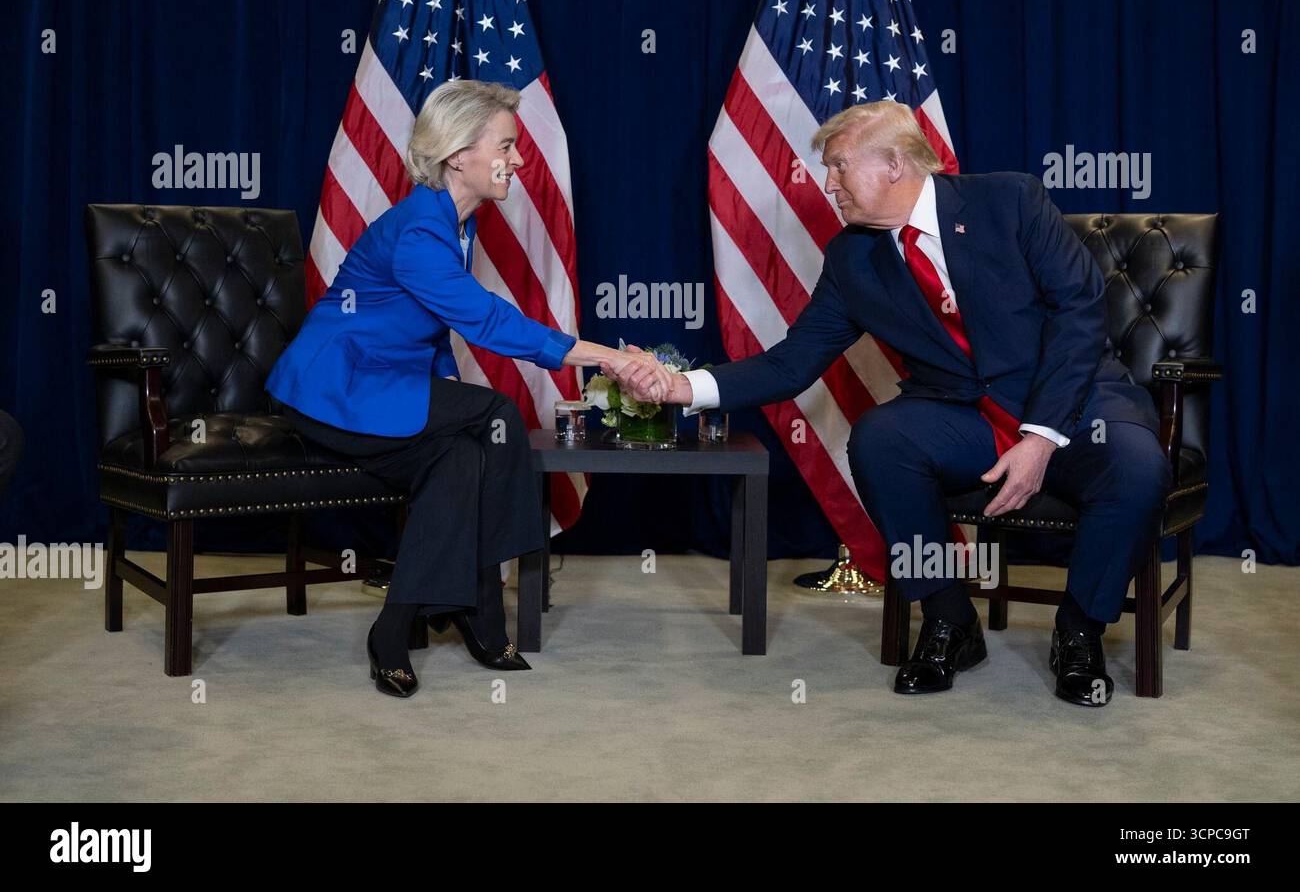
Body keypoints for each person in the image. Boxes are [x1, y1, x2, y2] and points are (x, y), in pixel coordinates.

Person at [611, 101, 1170, 707]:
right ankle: (949, 621)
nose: (828, 184)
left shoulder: (1010, 202)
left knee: (1138, 467)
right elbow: (790, 363)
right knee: (881, 438)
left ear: (896, 164)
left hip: (1073, 403)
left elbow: (1079, 312)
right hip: (965, 418)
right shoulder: (854, 258)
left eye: (840, 167)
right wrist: (680, 386)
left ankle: (1080, 632)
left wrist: (1040, 437)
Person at [267, 80, 668, 698]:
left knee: (460, 457)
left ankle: (393, 629)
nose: (520, 160)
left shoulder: (454, 225)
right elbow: (485, 320)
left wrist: (450, 392)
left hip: (384, 389)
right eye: (506, 145)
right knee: (497, 412)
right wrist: (609, 359)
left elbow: (432, 341)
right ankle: (483, 603)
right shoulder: (419, 233)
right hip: (330, 395)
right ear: (458, 154)